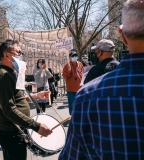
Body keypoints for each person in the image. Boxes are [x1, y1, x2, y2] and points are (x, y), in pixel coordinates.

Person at [58, 0, 144, 159]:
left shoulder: (88, 96)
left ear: (123, 35)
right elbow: (66, 75)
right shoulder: (84, 89)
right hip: (71, 91)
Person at [0, 39, 52, 160]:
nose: (21, 55)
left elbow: (15, 99)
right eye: (18, 52)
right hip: (11, 132)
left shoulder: (9, 73)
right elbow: (10, 109)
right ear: (7, 55)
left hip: (14, 129)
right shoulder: (3, 75)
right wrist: (36, 126)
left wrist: (35, 96)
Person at [62, 50, 83, 115]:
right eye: (73, 56)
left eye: (76, 55)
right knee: (72, 104)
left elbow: (82, 73)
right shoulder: (67, 65)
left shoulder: (80, 64)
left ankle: (79, 116)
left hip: (79, 88)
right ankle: (72, 117)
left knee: (80, 103)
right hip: (71, 89)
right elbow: (64, 75)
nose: (75, 57)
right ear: (70, 58)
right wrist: (69, 71)